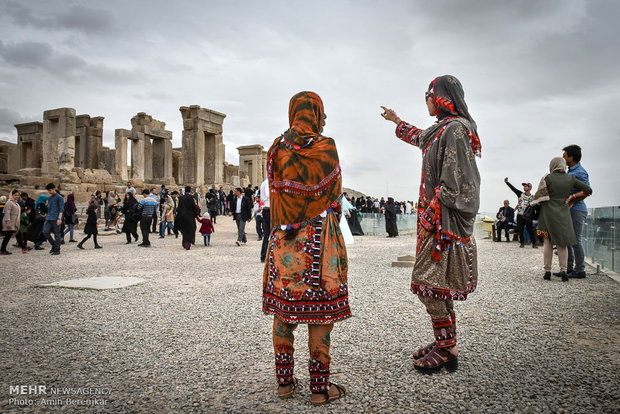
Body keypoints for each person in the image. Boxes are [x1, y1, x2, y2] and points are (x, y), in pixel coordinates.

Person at [381, 75, 481, 372]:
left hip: (443, 222)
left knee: (427, 284)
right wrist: (395, 120)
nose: (425, 99)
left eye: (428, 94)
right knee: (438, 285)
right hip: (436, 219)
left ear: (440, 97)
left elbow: (460, 183)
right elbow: (420, 137)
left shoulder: (456, 131)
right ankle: (445, 342)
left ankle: (447, 347)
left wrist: (432, 213)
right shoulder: (442, 130)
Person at [263, 91, 349, 405]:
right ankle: (319, 389)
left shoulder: (275, 149)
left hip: (284, 238)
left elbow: (273, 189)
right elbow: (335, 193)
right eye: (322, 114)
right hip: (319, 238)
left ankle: (284, 383)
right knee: (320, 313)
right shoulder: (326, 147)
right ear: (314, 114)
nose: (324, 120)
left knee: (284, 310)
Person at [531, 157, 592, 282]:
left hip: (547, 213)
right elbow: (588, 190)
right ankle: (564, 271)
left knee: (547, 242)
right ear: (563, 165)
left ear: (552, 165)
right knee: (562, 243)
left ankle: (547, 271)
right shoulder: (571, 178)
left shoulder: (547, 178)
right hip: (563, 213)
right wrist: (572, 197)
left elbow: (538, 197)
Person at [562, 145, 590, 279]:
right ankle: (569, 268)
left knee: (576, 240)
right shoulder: (569, 171)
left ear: (571, 158)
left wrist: (572, 199)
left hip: (577, 210)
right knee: (569, 240)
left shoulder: (580, 172)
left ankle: (580, 270)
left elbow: (587, 191)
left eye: (565, 156)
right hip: (569, 210)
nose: (563, 158)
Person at [504, 178, 537, 248]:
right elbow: (513, 189)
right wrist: (507, 182)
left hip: (528, 216)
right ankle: (522, 243)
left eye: (526, 186)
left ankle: (534, 244)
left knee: (530, 230)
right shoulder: (520, 194)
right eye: (524, 186)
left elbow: (535, 207)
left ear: (530, 187)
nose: (524, 187)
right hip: (520, 215)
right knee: (520, 230)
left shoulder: (533, 197)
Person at [42, 183, 64, 255]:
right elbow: (48, 208)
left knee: (57, 234)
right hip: (49, 217)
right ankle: (54, 245)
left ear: (54, 189)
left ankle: (57, 249)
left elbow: (61, 209)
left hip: (56, 218)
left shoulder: (59, 197)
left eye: (50, 190)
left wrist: (59, 218)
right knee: (45, 232)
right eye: (48, 190)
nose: (49, 192)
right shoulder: (50, 198)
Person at [1, 190, 21, 255]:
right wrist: (8, 222)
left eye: (18, 195)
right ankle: (2, 250)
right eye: (15, 195)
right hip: (10, 223)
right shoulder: (9, 203)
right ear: (11, 195)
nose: (17, 196)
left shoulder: (16, 203)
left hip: (14, 222)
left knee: (9, 236)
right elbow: (7, 213)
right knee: (7, 236)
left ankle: (2, 250)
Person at [259, 178, 271, 262]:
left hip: (268, 208)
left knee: (267, 233)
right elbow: (268, 195)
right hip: (270, 208)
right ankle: (265, 255)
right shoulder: (268, 182)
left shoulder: (264, 183)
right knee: (268, 234)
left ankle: (265, 255)